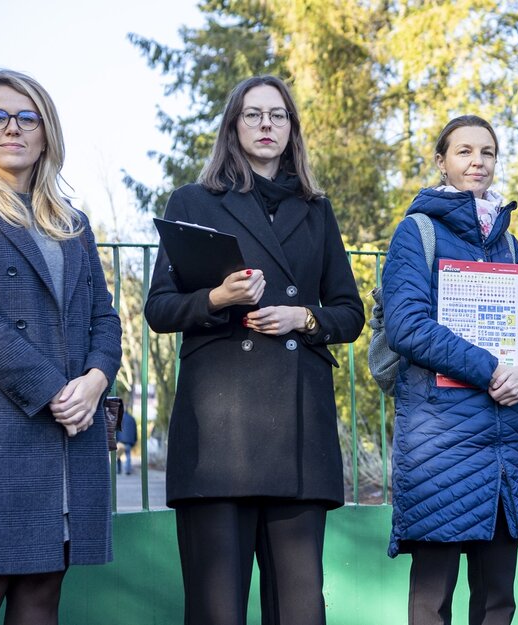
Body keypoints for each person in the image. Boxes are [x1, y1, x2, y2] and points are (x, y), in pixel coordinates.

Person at [143, 75, 364, 625]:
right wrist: (218, 296)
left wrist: (304, 317)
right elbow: (159, 309)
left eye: (278, 116)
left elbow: (351, 312)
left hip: (298, 432)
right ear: (233, 127)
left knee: (300, 612)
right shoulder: (194, 201)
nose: (266, 125)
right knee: (217, 612)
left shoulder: (317, 209)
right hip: (219, 435)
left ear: (292, 129)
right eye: (253, 115)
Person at [0, 69, 122, 624]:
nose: (14, 127)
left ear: (46, 133)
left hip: (65, 435)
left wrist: (95, 381)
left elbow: (104, 318)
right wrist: (58, 391)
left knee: (41, 592)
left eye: (27, 117)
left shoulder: (72, 223)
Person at [382, 115, 518, 625]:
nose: (477, 162)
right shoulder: (417, 232)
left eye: (488, 152)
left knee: (498, 601)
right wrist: (493, 369)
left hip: (505, 445)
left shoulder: (508, 242)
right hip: (440, 444)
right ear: (442, 161)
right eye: (464, 152)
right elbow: (406, 326)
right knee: (432, 604)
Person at [116, 409, 137, 475]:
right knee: (128, 456)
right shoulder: (132, 419)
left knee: (118, 456)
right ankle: (128, 470)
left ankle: (118, 470)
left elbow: (116, 430)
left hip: (120, 441)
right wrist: (135, 440)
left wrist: (115, 440)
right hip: (129, 441)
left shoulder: (119, 418)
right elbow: (135, 430)